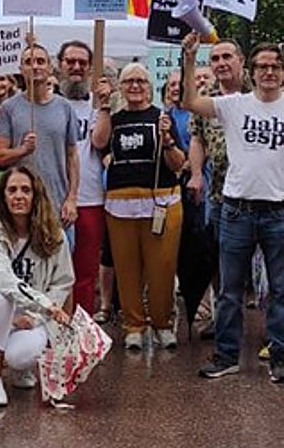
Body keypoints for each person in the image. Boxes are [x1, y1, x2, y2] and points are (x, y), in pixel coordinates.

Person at [183, 35, 284, 382]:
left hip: (279, 211)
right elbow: (189, 101)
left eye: (275, 66)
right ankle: (226, 355)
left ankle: (280, 356)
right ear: (252, 71)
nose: (269, 71)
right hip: (236, 209)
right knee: (229, 289)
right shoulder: (234, 104)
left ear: (282, 73)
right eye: (263, 66)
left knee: (280, 288)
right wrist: (191, 57)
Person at [0, 166, 73, 407]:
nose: (19, 196)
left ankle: (20, 368)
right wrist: (44, 306)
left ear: (36, 195)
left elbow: (63, 282)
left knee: (20, 357)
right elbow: (4, 280)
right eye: (12, 190)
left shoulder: (55, 234)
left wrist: (36, 316)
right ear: (4, 196)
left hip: (34, 318)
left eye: (26, 190)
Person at [92, 63, 186, 351]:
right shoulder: (114, 119)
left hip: (161, 201)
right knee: (127, 267)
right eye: (128, 81)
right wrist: (104, 106)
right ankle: (133, 324)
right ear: (120, 86)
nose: (134, 86)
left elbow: (179, 163)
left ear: (149, 86)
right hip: (121, 203)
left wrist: (168, 141)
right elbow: (99, 142)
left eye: (140, 81)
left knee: (162, 266)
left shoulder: (163, 118)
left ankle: (162, 323)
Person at [187, 40, 247, 337]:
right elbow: (197, 139)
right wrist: (196, 173)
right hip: (220, 194)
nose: (221, 63)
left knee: (270, 265)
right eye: (215, 58)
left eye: (227, 56)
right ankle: (224, 320)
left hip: (262, 195)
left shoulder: (258, 93)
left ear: (241, 60)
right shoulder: (205, 98)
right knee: (222, 259)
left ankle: (274, 330)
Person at [0, 43, 80, 231]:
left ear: (50, 67)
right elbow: (0, 155)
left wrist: (72, 198)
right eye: (29, 62)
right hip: (22, 207)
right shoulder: (9, 108)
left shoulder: (64, 107)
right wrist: (22, 150)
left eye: (40, 61)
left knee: (62, 258)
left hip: (58, 205)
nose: (35, 66)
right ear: (21, 69)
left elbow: (72, 156)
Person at [57, 41, 107, 315]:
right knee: (52, 270)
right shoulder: (47, 103)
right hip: (53, 197)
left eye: (82, 63)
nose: (76, 67)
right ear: (60, 64)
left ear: (89, 68)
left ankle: (81, 329)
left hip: (90, 197)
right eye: (70, 62)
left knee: (85, 272)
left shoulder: (100, 106)